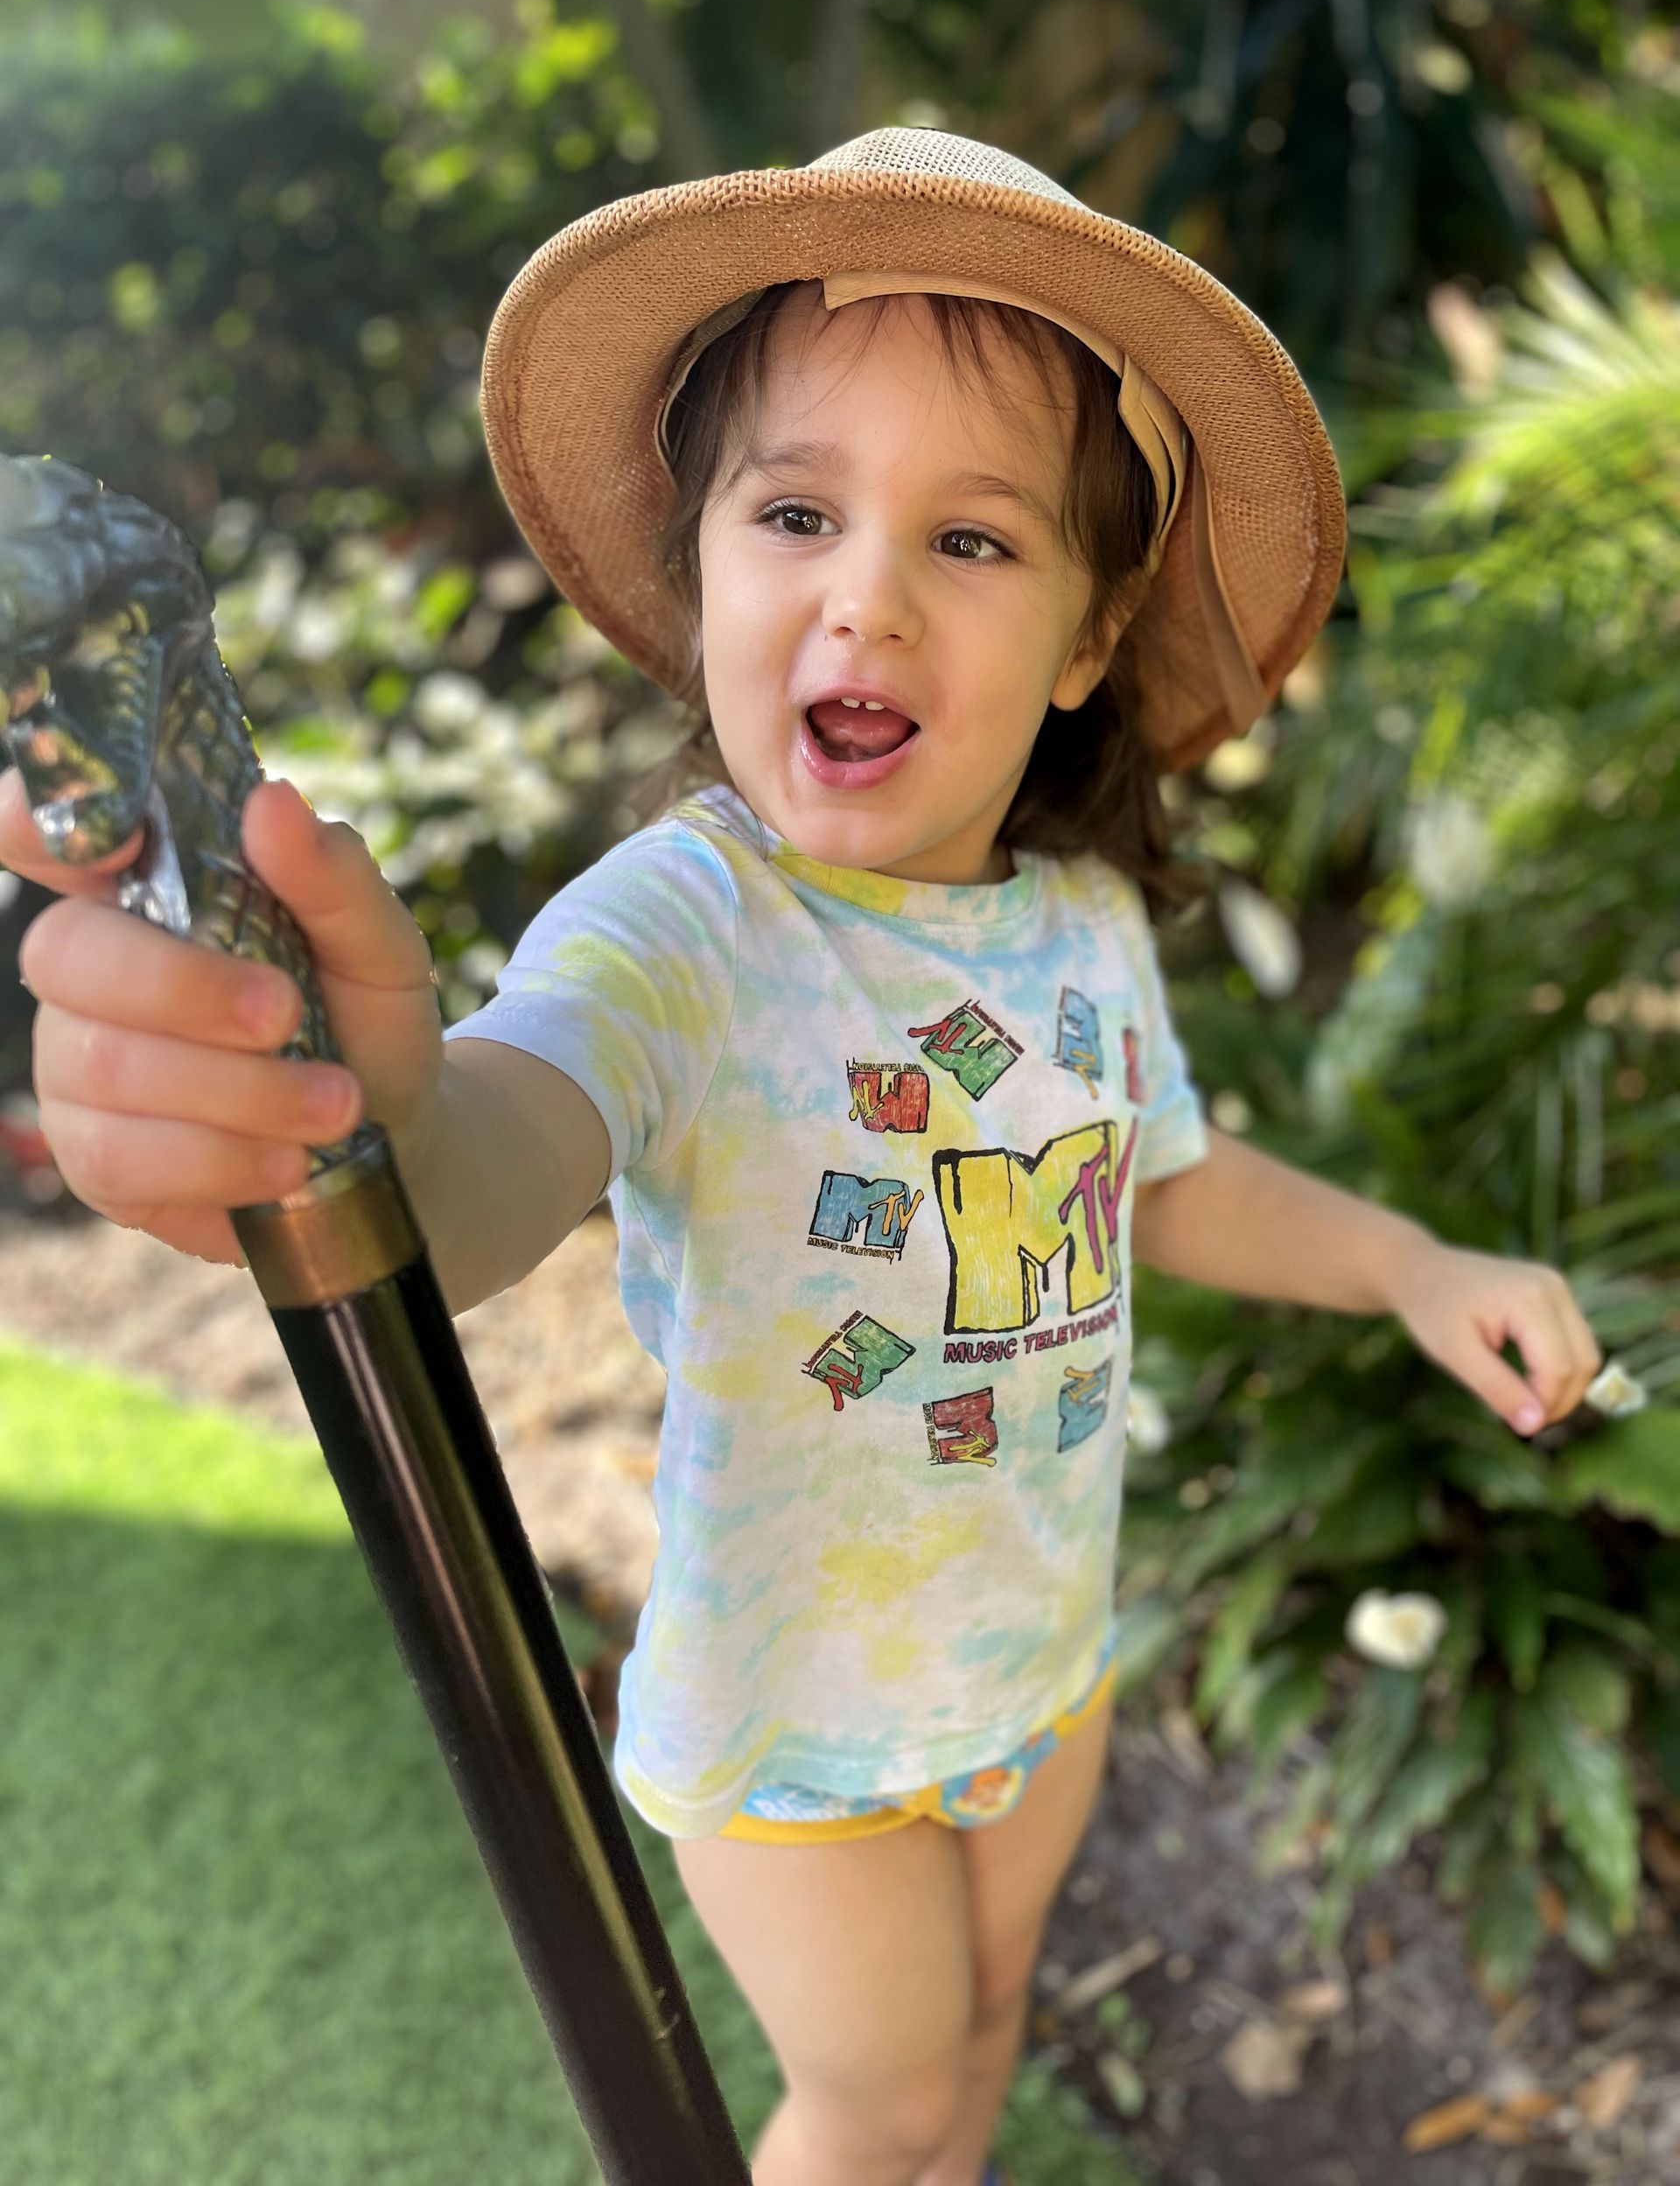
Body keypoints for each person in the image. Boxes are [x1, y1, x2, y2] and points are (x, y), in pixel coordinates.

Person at [4, 129, 1603, 2186]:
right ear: (702, 573)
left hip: (1035, 1657)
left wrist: (1412, 1265)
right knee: (884, 2099)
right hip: (797, 1720)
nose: (868, 593)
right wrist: (363, 1127)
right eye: (795, 512)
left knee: (987, 2038)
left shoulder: (1083, 932)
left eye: (974, 538)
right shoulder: (687, 932)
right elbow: (485, 1158)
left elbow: (1156, 1181)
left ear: (1091, 634)